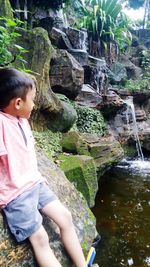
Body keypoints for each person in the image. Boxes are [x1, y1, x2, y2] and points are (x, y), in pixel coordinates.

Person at [0, 67, 87, 267]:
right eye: (32, 99)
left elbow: (27, 153)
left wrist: (36, 175)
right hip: (15, 194)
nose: (35, 104)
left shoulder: (22, 120)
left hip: (34, 184)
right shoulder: (2, 124)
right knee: (40, 238)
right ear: (18, 103)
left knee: (65, 216)